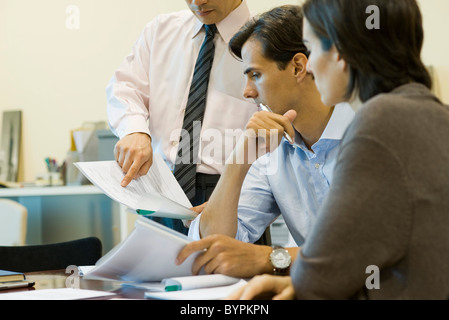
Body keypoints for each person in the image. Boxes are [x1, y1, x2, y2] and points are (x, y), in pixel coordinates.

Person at [229, 0, 449, 300]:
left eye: (311, 46)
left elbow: (322, 272)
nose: (310, 66)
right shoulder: (425, 111)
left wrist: (282, 268)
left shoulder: (380, 121)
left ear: (340, 53)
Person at [175, 5, 354, 278]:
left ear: (297, 67)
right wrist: (238, 161)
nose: (247, 92)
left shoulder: (369, 135)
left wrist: (270, 258)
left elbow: (367, 250)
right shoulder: (272, 154)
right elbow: (206, 248)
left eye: (255, 75)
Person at [106, 0, 257, 234]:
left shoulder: (266, 40)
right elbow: (124, 87)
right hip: (159, 189)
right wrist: (134, 130)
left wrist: (246, 198)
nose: (197, 2)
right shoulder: (160, 30)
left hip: (229, 194)